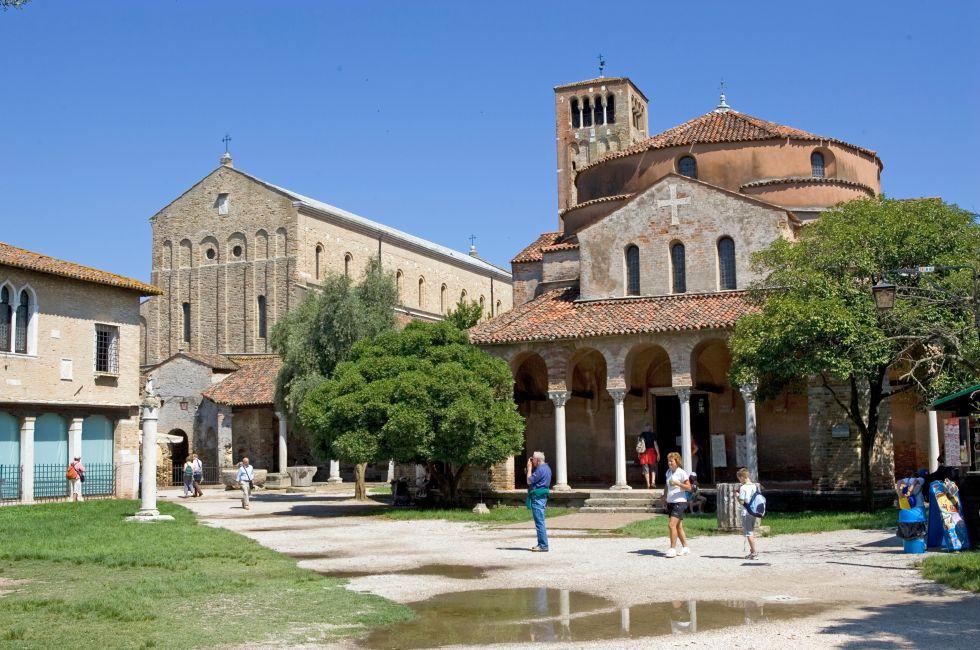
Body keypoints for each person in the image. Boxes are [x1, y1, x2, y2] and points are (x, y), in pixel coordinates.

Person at [662, 451, 691, 558]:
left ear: (677, 461)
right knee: (678, 527)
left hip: (680, 502)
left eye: (671, 461)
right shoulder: (668, 472)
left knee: (671, 525)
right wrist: (664, 496)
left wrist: (678, 483)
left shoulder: (681, 472)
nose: (669, 463)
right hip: (671, 502)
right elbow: (667, 485)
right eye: (668, 461)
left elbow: (689, 487)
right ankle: (686, 547)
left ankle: (672, 549)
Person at [525, 451, 552, 552]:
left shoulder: (540, 469)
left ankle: (543, 545)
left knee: (539, 522)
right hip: (542, 496)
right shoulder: (547, 468)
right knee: (540, 521)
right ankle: (541, 544)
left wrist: (529, 468)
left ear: (538, 460)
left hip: (538, 497)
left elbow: (529, 480)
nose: (532, 461)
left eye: (533, 459)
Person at [736, 467, 760, 559]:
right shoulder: (754, 486)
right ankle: (752, 551)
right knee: (751, 531)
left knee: (748, 533)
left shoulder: (743, 488)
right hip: (753, 511)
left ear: (742, 477)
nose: (739, 480)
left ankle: (754, 553)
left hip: (746, 512)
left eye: (739, 478)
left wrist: (737, 496)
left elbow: (742, 502)